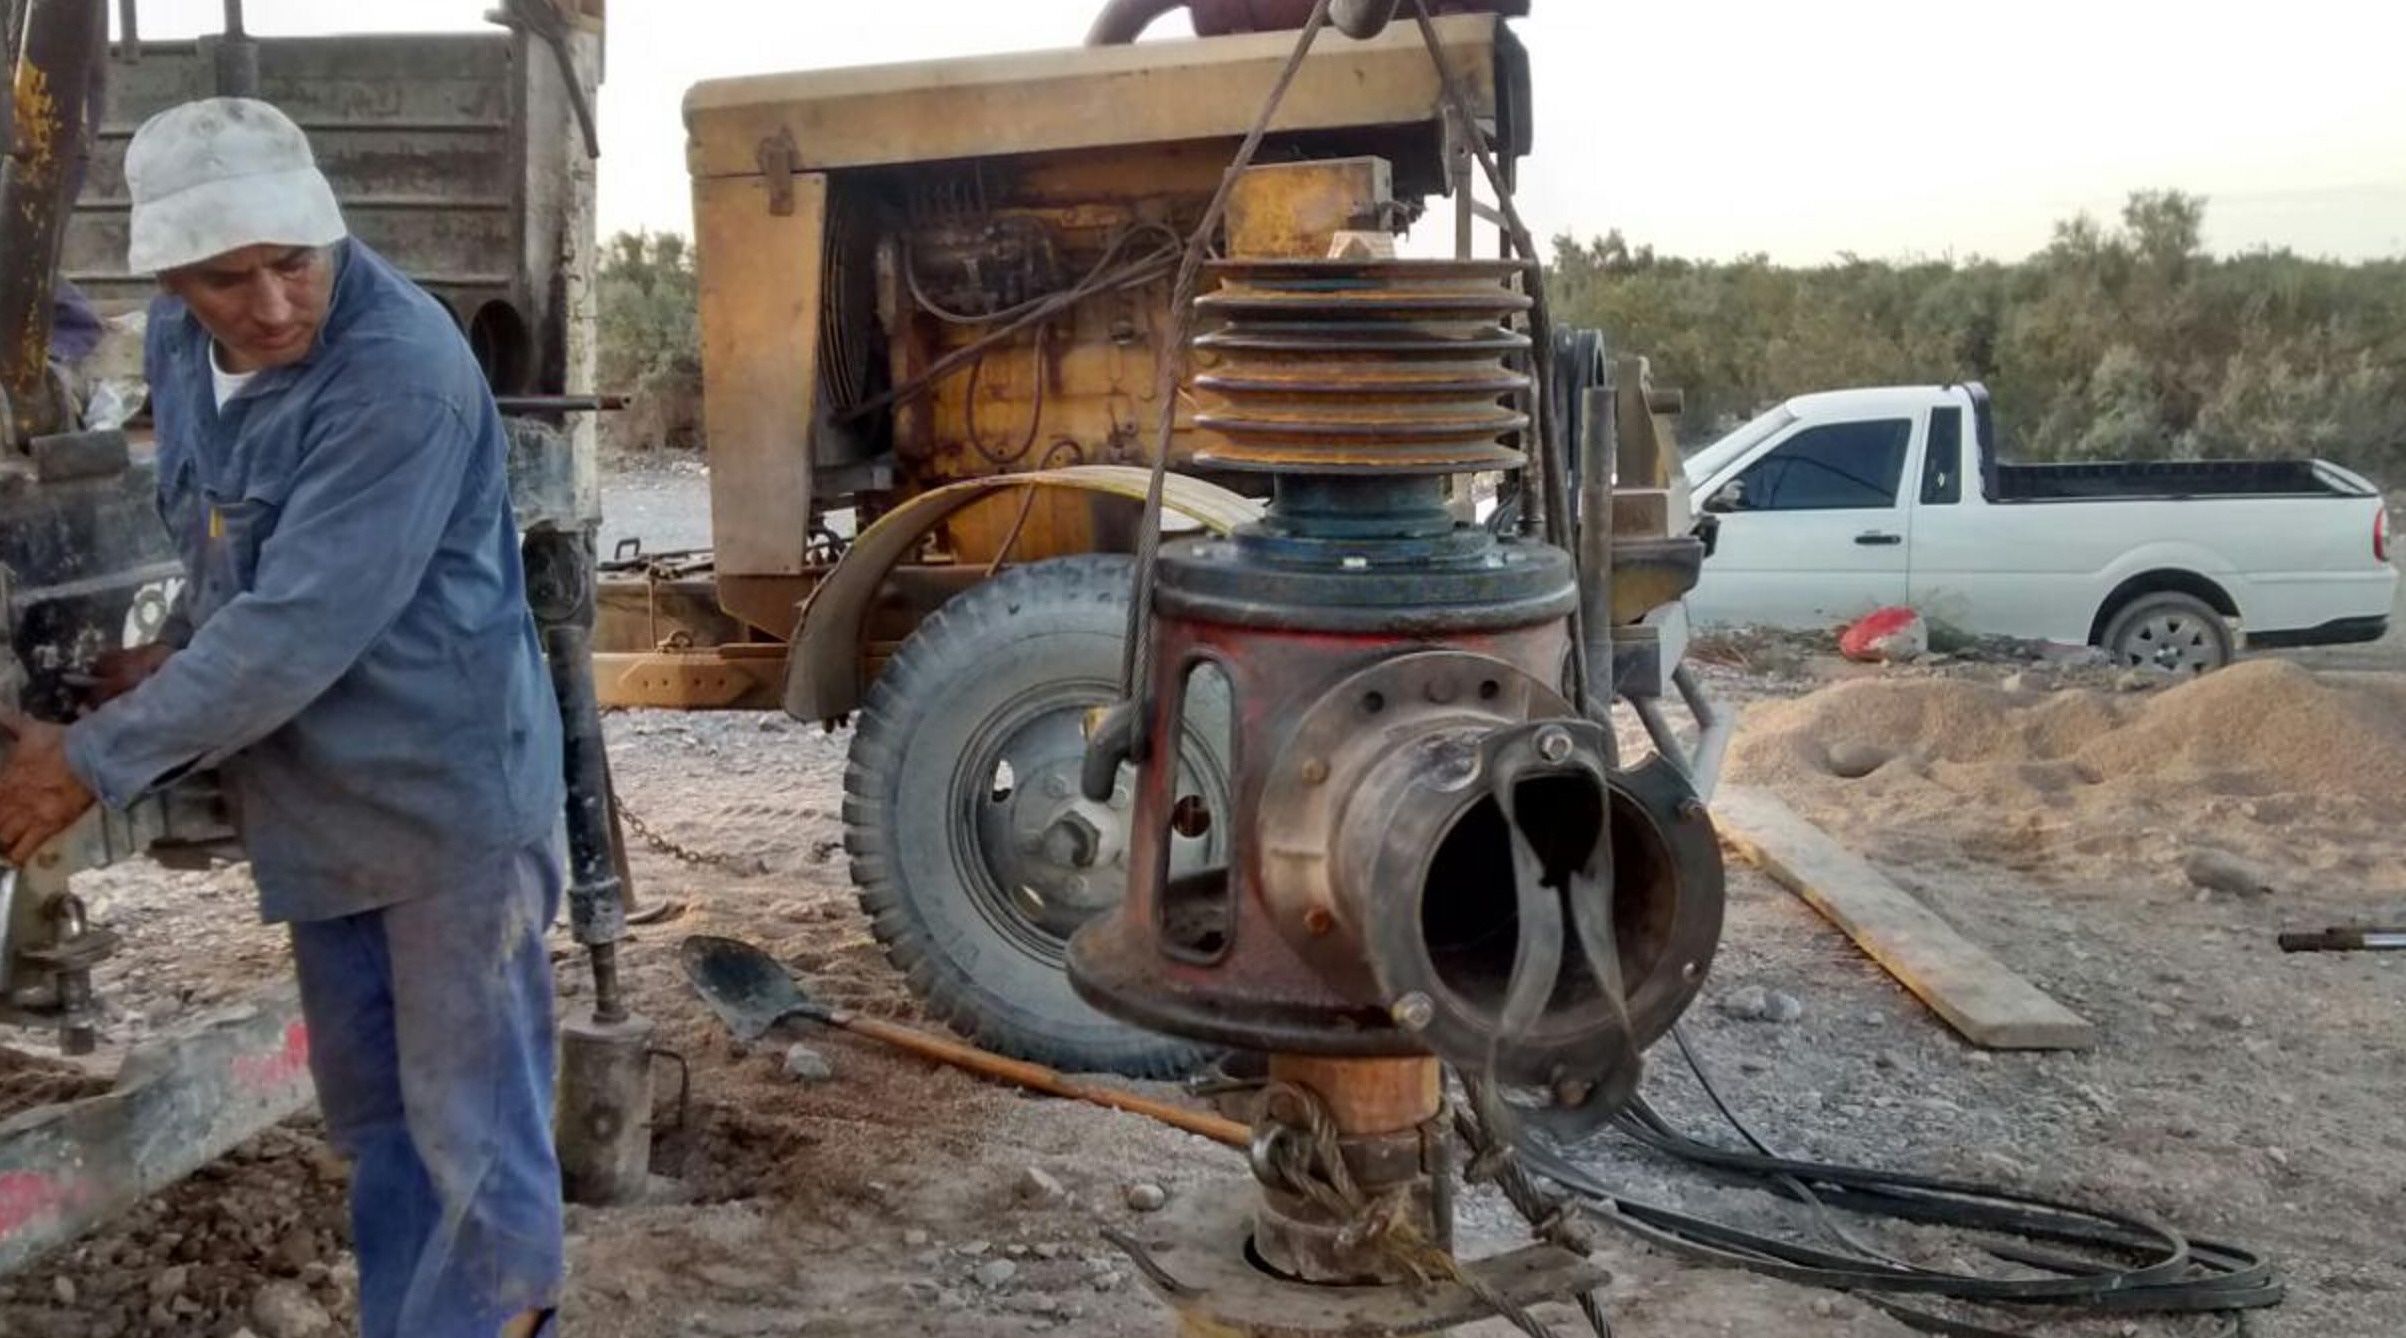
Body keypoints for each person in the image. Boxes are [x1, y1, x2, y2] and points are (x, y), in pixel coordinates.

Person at [0, 98, 568, 1338]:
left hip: (443, 810)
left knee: (473, 1142)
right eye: (226, 278)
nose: (268, 305)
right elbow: (236, 553)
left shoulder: (398, 376)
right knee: (382, 1129)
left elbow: (303, 623)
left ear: (330, 232)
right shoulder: (174, 342)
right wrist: (176, 656)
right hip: (317, 808)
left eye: (293, 263)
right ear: (170, 278)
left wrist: (86, 763)